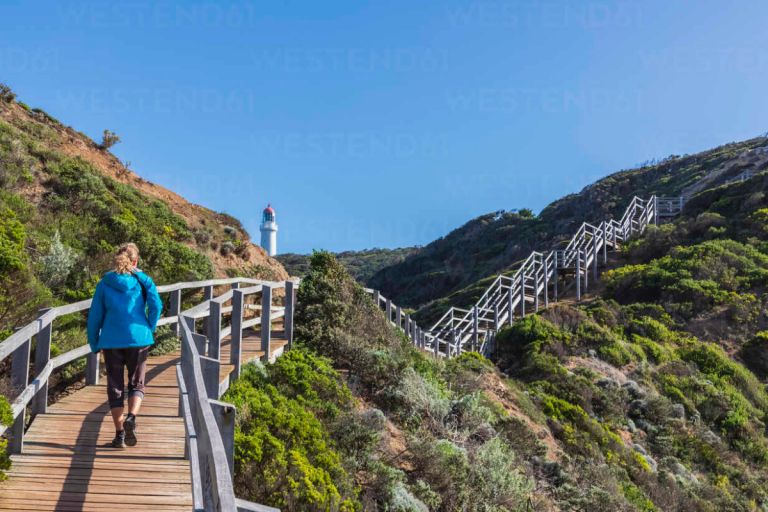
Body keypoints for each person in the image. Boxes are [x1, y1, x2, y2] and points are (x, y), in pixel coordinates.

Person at [87, 243, 162, 448]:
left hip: (111, 341)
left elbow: (95, 316)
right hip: (139, 339)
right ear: (135, 261)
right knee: (137, 383)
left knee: (115, 387)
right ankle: (132, 418)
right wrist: (149, 327)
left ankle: (120, 435)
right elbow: (156, 305)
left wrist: (94, 342)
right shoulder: (143, 280)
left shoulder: (105, 283)